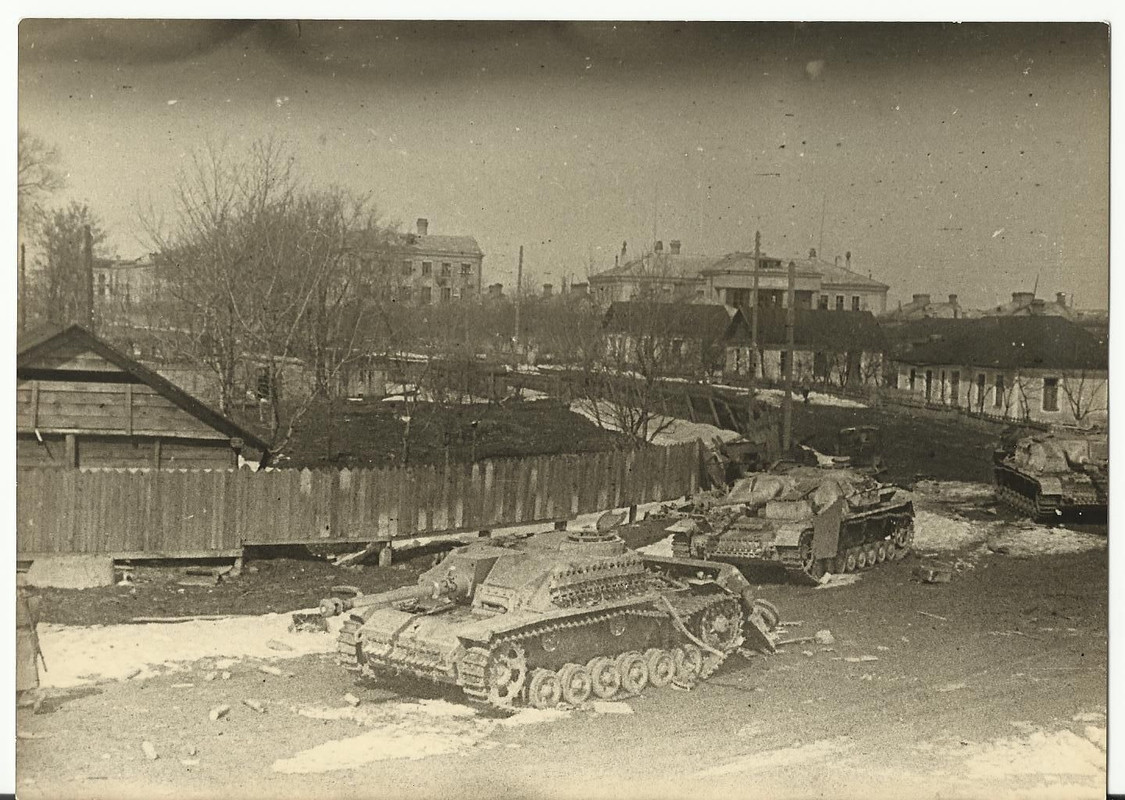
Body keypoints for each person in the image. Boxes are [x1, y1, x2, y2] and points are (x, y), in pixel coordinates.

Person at [16, 584, 45, 712]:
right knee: (28, 663)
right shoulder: (35, 600)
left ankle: (35, 694)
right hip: (28, 634)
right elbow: (35, 619)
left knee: (25, 664)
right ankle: (21, 695)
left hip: (21, 634)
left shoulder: (23, 600)